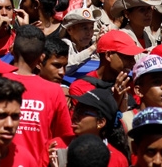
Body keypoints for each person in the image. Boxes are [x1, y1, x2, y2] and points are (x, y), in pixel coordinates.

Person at [9, 25, 74, 167]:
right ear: (41, 58)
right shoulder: (54, 91)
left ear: (13, 51)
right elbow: (64, 138)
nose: (62, 72)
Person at [71, 88, 131, 167]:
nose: (75, 115)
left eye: (82, 112)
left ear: (100, 122)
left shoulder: (118, 160)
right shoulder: (58, 146)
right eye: (75, 109)